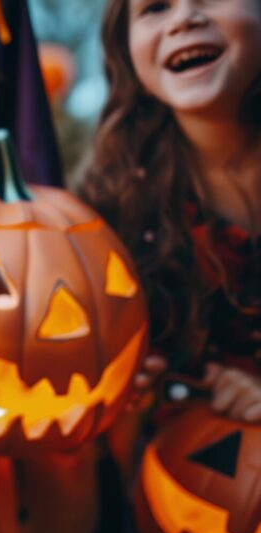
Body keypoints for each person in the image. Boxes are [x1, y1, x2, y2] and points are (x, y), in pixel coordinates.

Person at [79, 0, 261, 425]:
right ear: (127, 56)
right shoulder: (112, 211)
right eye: (155, 7)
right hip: (180, 470)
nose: (184, 19)